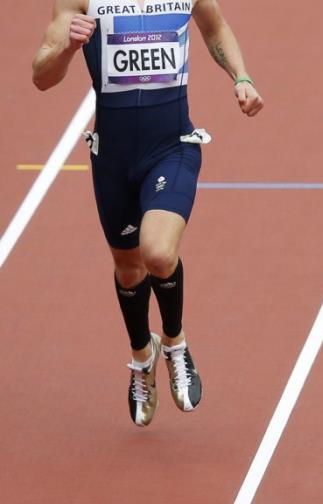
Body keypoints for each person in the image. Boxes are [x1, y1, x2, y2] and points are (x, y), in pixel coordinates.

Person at [32, 0, 263, 426]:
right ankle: (143, 353)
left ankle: (175, 342)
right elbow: (40, 75)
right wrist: (67, 48)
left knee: (156, 252)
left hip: (171, 147)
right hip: (113, 158)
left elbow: (215, 29)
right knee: (128, 268)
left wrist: (241, 77)